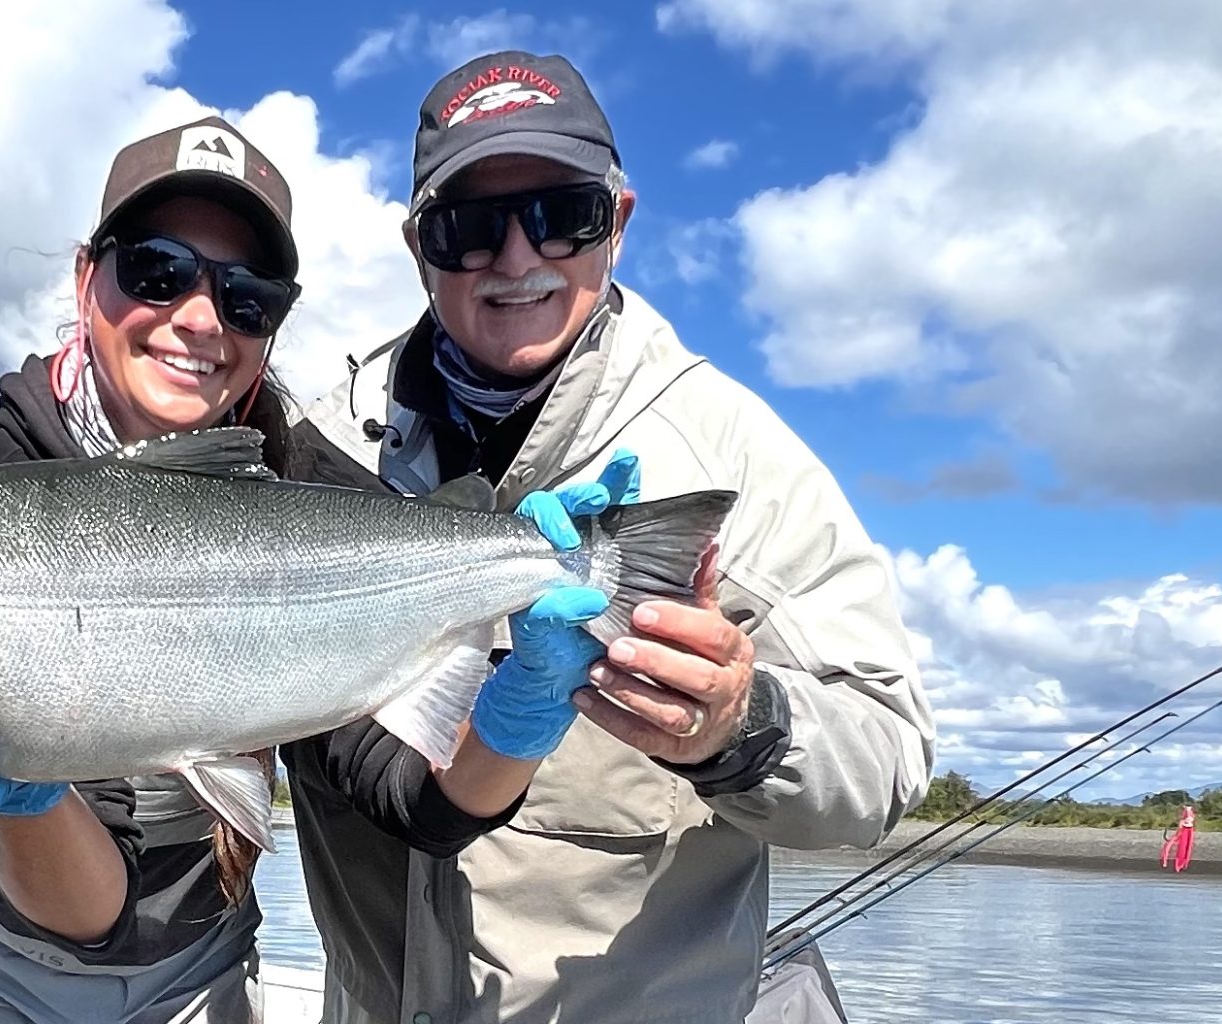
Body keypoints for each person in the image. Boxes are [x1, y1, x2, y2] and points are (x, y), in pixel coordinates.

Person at [0, 112, 623, 1024]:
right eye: (157, 271)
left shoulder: (312, 487)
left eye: (249, 296)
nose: (201, 318)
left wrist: (519, 719)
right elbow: (87, 916)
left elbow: (418, 801)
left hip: (198, 968)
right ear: (85, 276)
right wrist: (23, 796)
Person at [278, 50, 939, 1024]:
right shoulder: (324, 442)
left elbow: (882, 755)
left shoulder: (731, 456)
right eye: (469, 227)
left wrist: (732, 725)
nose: (515, 257)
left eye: (559, 214)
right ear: (418, 246)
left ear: (617, 221)